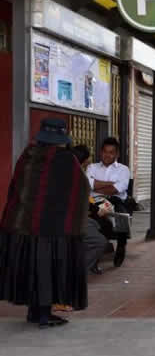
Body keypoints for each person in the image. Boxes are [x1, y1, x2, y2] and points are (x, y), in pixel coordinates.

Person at [0, 118, 90, 328]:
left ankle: (34, 312)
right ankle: (43, 315)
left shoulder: (28, 156)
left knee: (32, 268)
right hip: (54, 228)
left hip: (24, 226)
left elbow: (17, 188)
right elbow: (81, 188)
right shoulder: (66, 160)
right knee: (47, 271)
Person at [86, 137, 131, 267]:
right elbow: (89, 185)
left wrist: (97, 185)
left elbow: (117, 189)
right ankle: (97, 250)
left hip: (116, 201)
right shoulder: (91, 167)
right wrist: (110, 184)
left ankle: (121, 246)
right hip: (95, 201)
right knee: (95, 218)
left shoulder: (123, 169)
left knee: (121, 216)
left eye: (111, 152)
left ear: (117, 154)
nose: (107, 155)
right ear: (101, 152)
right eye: (105, 151)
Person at [71, 145, 108, 276]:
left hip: (81, 213)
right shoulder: (75, 174)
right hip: (72, 218)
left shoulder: (77, 171)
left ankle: (93, 264)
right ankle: (76, 273)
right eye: (88, 158)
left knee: (98, 225)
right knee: (99, 241)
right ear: (84, 159)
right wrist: (96, 209)